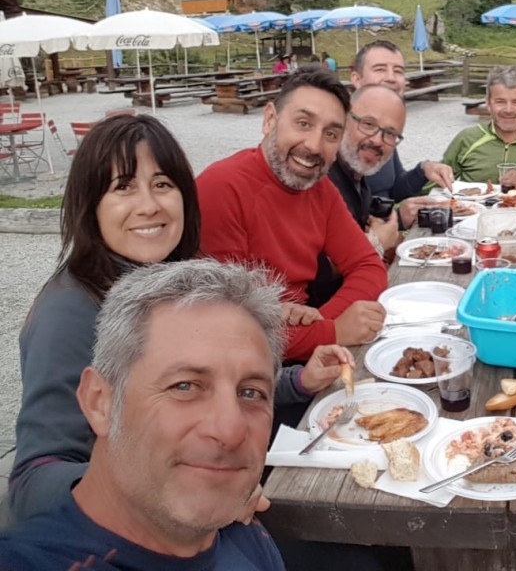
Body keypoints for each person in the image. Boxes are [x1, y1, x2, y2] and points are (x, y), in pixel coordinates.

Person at [7, 115, 352, 524]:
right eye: (123, 187)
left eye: (163, 185)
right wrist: (174, 491)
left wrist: (297, 381)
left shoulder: (171, 283)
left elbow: (199, 386)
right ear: (90, 204)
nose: (149, 205)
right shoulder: (69, 313)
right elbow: (33, 485)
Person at [0, 260, 291, 569]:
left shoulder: (249, 539)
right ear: (100, 402)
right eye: (185, 386)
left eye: (250, 392)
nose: (230, 430)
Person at [197, 67, 388, 360]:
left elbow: (368, 265)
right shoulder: (221, 188)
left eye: (331, 134)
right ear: (270, 119)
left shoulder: (320, 189)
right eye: (302, 123)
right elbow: (232, 332)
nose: (313, 145)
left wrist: (321, 325)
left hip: (303, 354)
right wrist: (333, 331)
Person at [306, 85, 414, 305]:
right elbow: (308, 273)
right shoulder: (314, 177)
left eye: (390, 134)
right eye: (368, 124)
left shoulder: (359, 180)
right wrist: (376, 243)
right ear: (344, 119)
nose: (377, 140)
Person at [352, 40, 454, 199]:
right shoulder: (340, 130)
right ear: (357, 80)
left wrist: (423, 170)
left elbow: (395, 189)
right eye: (380, 69)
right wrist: (399, 216)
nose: (391, 77)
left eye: (398, 71)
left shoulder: (387, 126)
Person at [442, 65, 516, 187]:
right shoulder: (467, 138)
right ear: (488, 104)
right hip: (471, 206)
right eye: (500, 102)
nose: (508, 110)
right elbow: (436, 185)